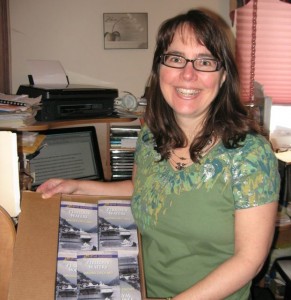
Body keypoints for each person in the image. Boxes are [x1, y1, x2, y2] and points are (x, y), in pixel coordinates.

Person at [37, 9, 280, 300]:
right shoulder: (151, 135)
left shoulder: (250, 155)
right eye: (176, 58)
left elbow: (248, 261)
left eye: (204, 61)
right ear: (159, 68)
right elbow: (141, 189)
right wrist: (78, 187)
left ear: (223, 75)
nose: (187, 74)